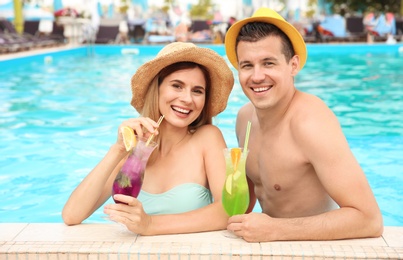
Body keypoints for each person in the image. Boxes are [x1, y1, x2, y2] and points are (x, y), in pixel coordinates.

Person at [224, 8, 383, 242]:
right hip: (269, 244)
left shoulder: (311, 123)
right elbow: (244, 201)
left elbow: (369, 219)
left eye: (268, 63)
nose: (256, 76)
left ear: (293, 65)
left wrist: (275, 230)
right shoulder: (244, 118)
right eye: (247, 65)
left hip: (314, 248)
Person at [62, 42, 234, 235]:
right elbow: (72, 215)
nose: (187, 99)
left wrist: (150, 224)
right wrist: (117, 150)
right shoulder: (135, 145)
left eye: (197, 91)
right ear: (157, 89)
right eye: (177, 86)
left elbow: (227, 211)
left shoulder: (208, 138)